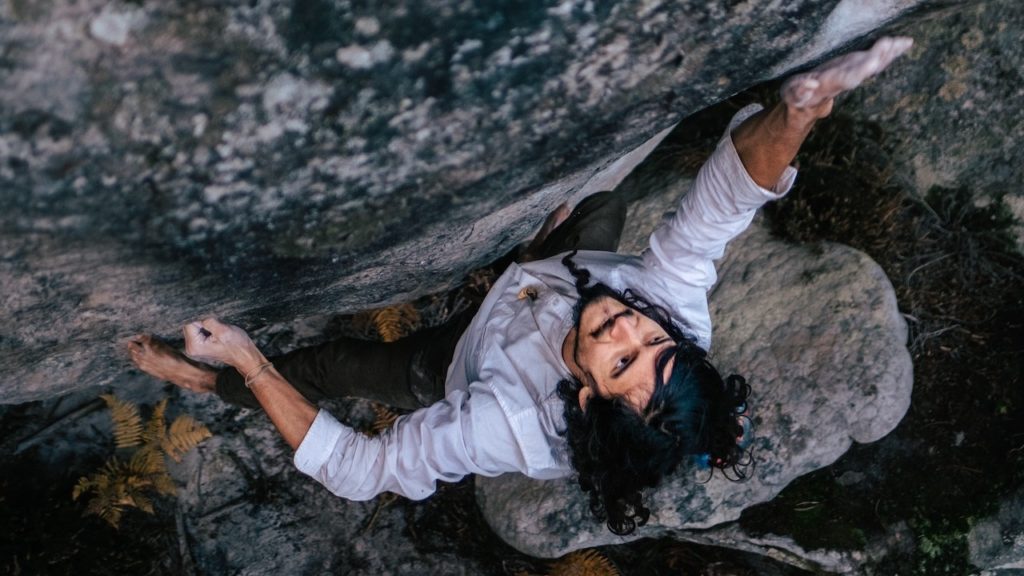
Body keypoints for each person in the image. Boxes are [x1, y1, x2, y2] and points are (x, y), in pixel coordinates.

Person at [129, 37, 913, 535]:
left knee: (332, 366)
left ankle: (207, 381)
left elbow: (363, 472)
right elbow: (722, 206)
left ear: (585, 402)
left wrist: (250, 359)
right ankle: (539, 252)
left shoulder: (503, 426)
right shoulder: (666, 314)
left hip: (462, 360)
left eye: (619, 361)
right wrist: (800, 112)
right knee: (605, 207)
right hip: (550, 278)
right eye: (651, 338)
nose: (625, 326)